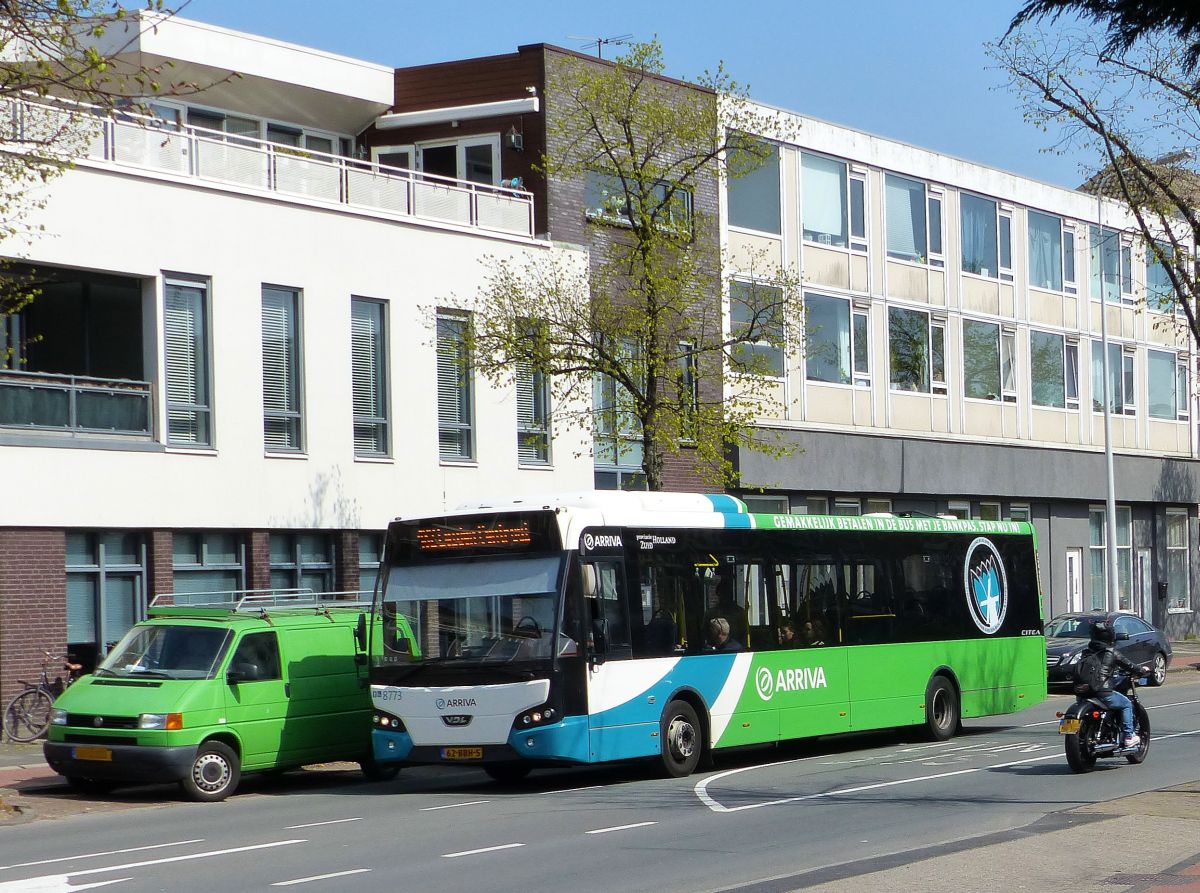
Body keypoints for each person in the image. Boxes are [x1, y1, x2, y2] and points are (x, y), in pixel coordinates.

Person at [1080, 619, 1149, 748]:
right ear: (1110, 637)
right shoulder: (1111, 652)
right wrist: (1141, 670)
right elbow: (1129, 665)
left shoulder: (1085, 652)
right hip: (1102, 692)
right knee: (1126, 704)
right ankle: (1128, 736)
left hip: (1083, 693)